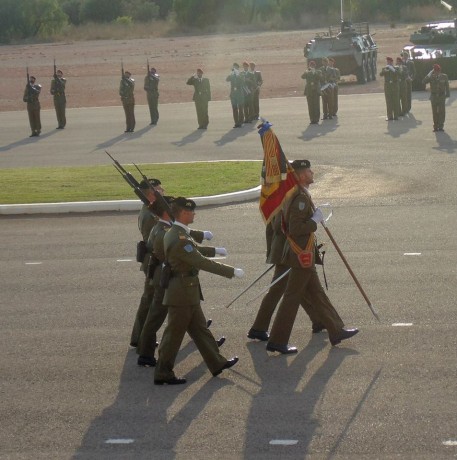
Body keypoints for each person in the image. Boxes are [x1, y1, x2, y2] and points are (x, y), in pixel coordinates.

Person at [266, 160, 359, 354]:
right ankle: (277, 340)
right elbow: (295, 228)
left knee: (317, 294)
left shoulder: (300, 195)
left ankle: (336, 330)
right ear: (300, 176)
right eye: (308, 171)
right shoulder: (299, 198)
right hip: (301, 255)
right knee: (292, 298)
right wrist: (314, 221)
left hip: (304, 253)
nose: (312, 173)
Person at [154, 197, 244, 385]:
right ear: (184, 213)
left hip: (187, 292)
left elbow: (196, 253)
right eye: (192, 211)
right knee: (173, 336)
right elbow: (199, 261)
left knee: (200, 330)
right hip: (181, 294)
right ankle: (163, 372)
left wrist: (216, 251)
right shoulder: (179, 238)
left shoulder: (178, 233)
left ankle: (217, 363)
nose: (194, 214)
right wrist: (231, 271)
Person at [136, 196, 224, 367]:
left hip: (164, 276)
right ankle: (146, 353)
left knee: (188, 320)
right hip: (166, 279)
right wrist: (213, 251)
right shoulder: (163, 231)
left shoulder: (164, 228)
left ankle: (211, 349)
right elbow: (188, 252)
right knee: (156, 318)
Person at [247, 203, 325, 342]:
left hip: (287, 251)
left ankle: (318, 320)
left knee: (299, 287)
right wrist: (312, 220)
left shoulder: (283, 197)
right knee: (278, 290)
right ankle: (258, 328)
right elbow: (279, 226)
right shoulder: (285, 198)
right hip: (288, 252)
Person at [422, 63, 450, 132]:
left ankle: (441, 126)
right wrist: (429, 74)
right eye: (435, 70)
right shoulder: (431, 77)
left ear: (440, 70)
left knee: (442, 112)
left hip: (441, 96)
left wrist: (447, 94)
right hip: (434, 96)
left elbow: (447, 86)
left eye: (437, 70)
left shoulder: (444, 76)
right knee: (434, 112)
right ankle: (435, 126)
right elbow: (423, 82)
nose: (436, 72)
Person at [380, 57, 400, 121]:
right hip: (388, 87)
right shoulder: (385, 68)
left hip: (394, 87)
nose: (388, 63)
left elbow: (399, 73)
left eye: (389, 62)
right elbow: (381, 74)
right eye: (387, 62)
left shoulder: (396, 68)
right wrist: (385, 70)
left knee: (395, 101)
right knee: (388, 102)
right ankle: (389, 116)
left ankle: (396, 116)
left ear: (392, 62)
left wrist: (392, 69)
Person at [226, 63, 245, 128]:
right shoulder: (232, 75)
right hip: (233, 94)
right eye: (233, 67)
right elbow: (227, 79)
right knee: (234, 108)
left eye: (235, 68)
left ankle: (241, 122)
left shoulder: (241, 74)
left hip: (239, 94)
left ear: (237, 68)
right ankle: (236, 122)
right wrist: (231, 74)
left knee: (240, 108)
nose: (234, 69)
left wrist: (238, 75)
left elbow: (243, 82)